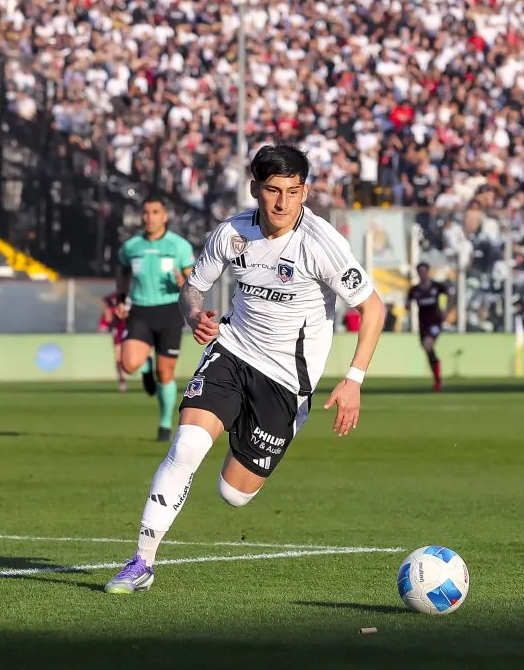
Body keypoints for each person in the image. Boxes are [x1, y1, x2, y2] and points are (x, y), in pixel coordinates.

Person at [104, 144, 386, 594]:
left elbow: (373, 308)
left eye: (293, 192)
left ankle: (255, 442)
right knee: (186, 446)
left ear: (305, 192)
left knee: (234, 494)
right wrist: (194, 316)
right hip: (233, 352)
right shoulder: (231, 233)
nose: (282, 203)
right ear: (255, 188)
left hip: (286, 382)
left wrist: (354, 379)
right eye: (273, 191)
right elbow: (192, 290)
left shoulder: (322, 243)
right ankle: (141, 561)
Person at [113, 197, 196, 441]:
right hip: (140, 310)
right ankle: (144, 367)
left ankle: (163, 425)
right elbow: (122, 271)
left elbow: (192, 279)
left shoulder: (178, 246)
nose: (149, 217)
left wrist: (184, 284)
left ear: (165, 216)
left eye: (155, 212)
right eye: (146, 212)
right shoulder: (131, 247)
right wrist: (120, 299)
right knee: (129, 364)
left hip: (169, 311)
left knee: (166, 373)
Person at [406, 263, 448, 391]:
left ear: (428, 272)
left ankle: (438, 381)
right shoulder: (414, 290)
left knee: (428, 344)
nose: (422, 274)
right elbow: (407, 304)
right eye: (420, 272)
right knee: (427, 349)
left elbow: (451, 294)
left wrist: (446, 311)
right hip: (422, 324)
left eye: (424, 271)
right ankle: (438, 379)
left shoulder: (436, 286)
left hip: (435, 322)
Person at [99, 292, 129, 392]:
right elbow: (107, 317)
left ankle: (148, 374)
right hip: (118, 332)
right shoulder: (112, 299)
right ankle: (122, 381)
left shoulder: (133, 296)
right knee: (118, 358)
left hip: (131, 330)